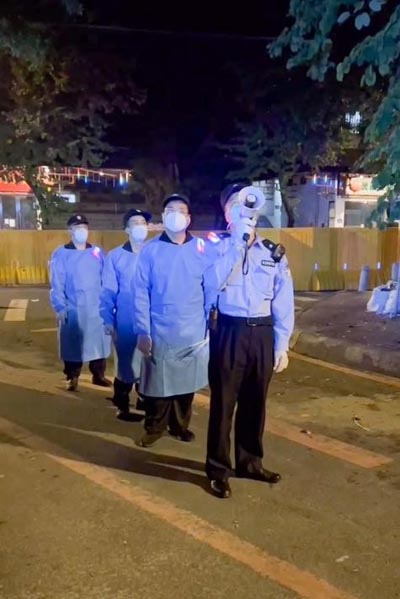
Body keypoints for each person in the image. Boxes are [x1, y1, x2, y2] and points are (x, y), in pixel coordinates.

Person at [204, 184, 295, 499]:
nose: (242, 209)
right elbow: (211, 283)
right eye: (234, 204)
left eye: (245, 203)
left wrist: (281, 344)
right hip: (229, 331)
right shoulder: (216, 248)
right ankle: (218, 469)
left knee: (255, 403)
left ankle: (250, 462)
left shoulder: (272, 252)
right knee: (223, 404)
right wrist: (236, 246)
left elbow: (283, 300)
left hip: (262, 333)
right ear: (227, 213)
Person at [134, 193, 210, 447]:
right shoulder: (150, 250)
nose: (176, 214)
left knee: (187, 383)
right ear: (164, 216)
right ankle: (154, 427)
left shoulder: (202, 249)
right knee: (158, 383)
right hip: (161, 328)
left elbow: (210, 288)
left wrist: (210, 325)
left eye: (181, 210)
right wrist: (143, 331)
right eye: (170, 210)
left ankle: (180, 425)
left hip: (193, 329)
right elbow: (141, 293)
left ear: (189, 218)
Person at [49, 214, 111, 391]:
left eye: (84, 227)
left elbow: (106, 279)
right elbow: (57, 283)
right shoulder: (61, 254)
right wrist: (60, 306)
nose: (82, 230)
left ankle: (98, 375)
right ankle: (72, 376)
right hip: (73, 307)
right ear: (70, 230)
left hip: (96, 307)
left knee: (98, 343)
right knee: (73, 343)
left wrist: (108, 304)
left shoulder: (96, 253)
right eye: (77, 227)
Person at [100, 208, 151, 420]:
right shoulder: (116, 256)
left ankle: (144, 399)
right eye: (135, 223)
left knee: (149, 363)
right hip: (126, 320)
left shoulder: (154, 253)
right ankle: (122, 405)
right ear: (127, 230)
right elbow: (108, 291)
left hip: (151, 320)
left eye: (143, 223)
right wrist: (107, 319)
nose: (141, 227)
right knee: (126, 364)